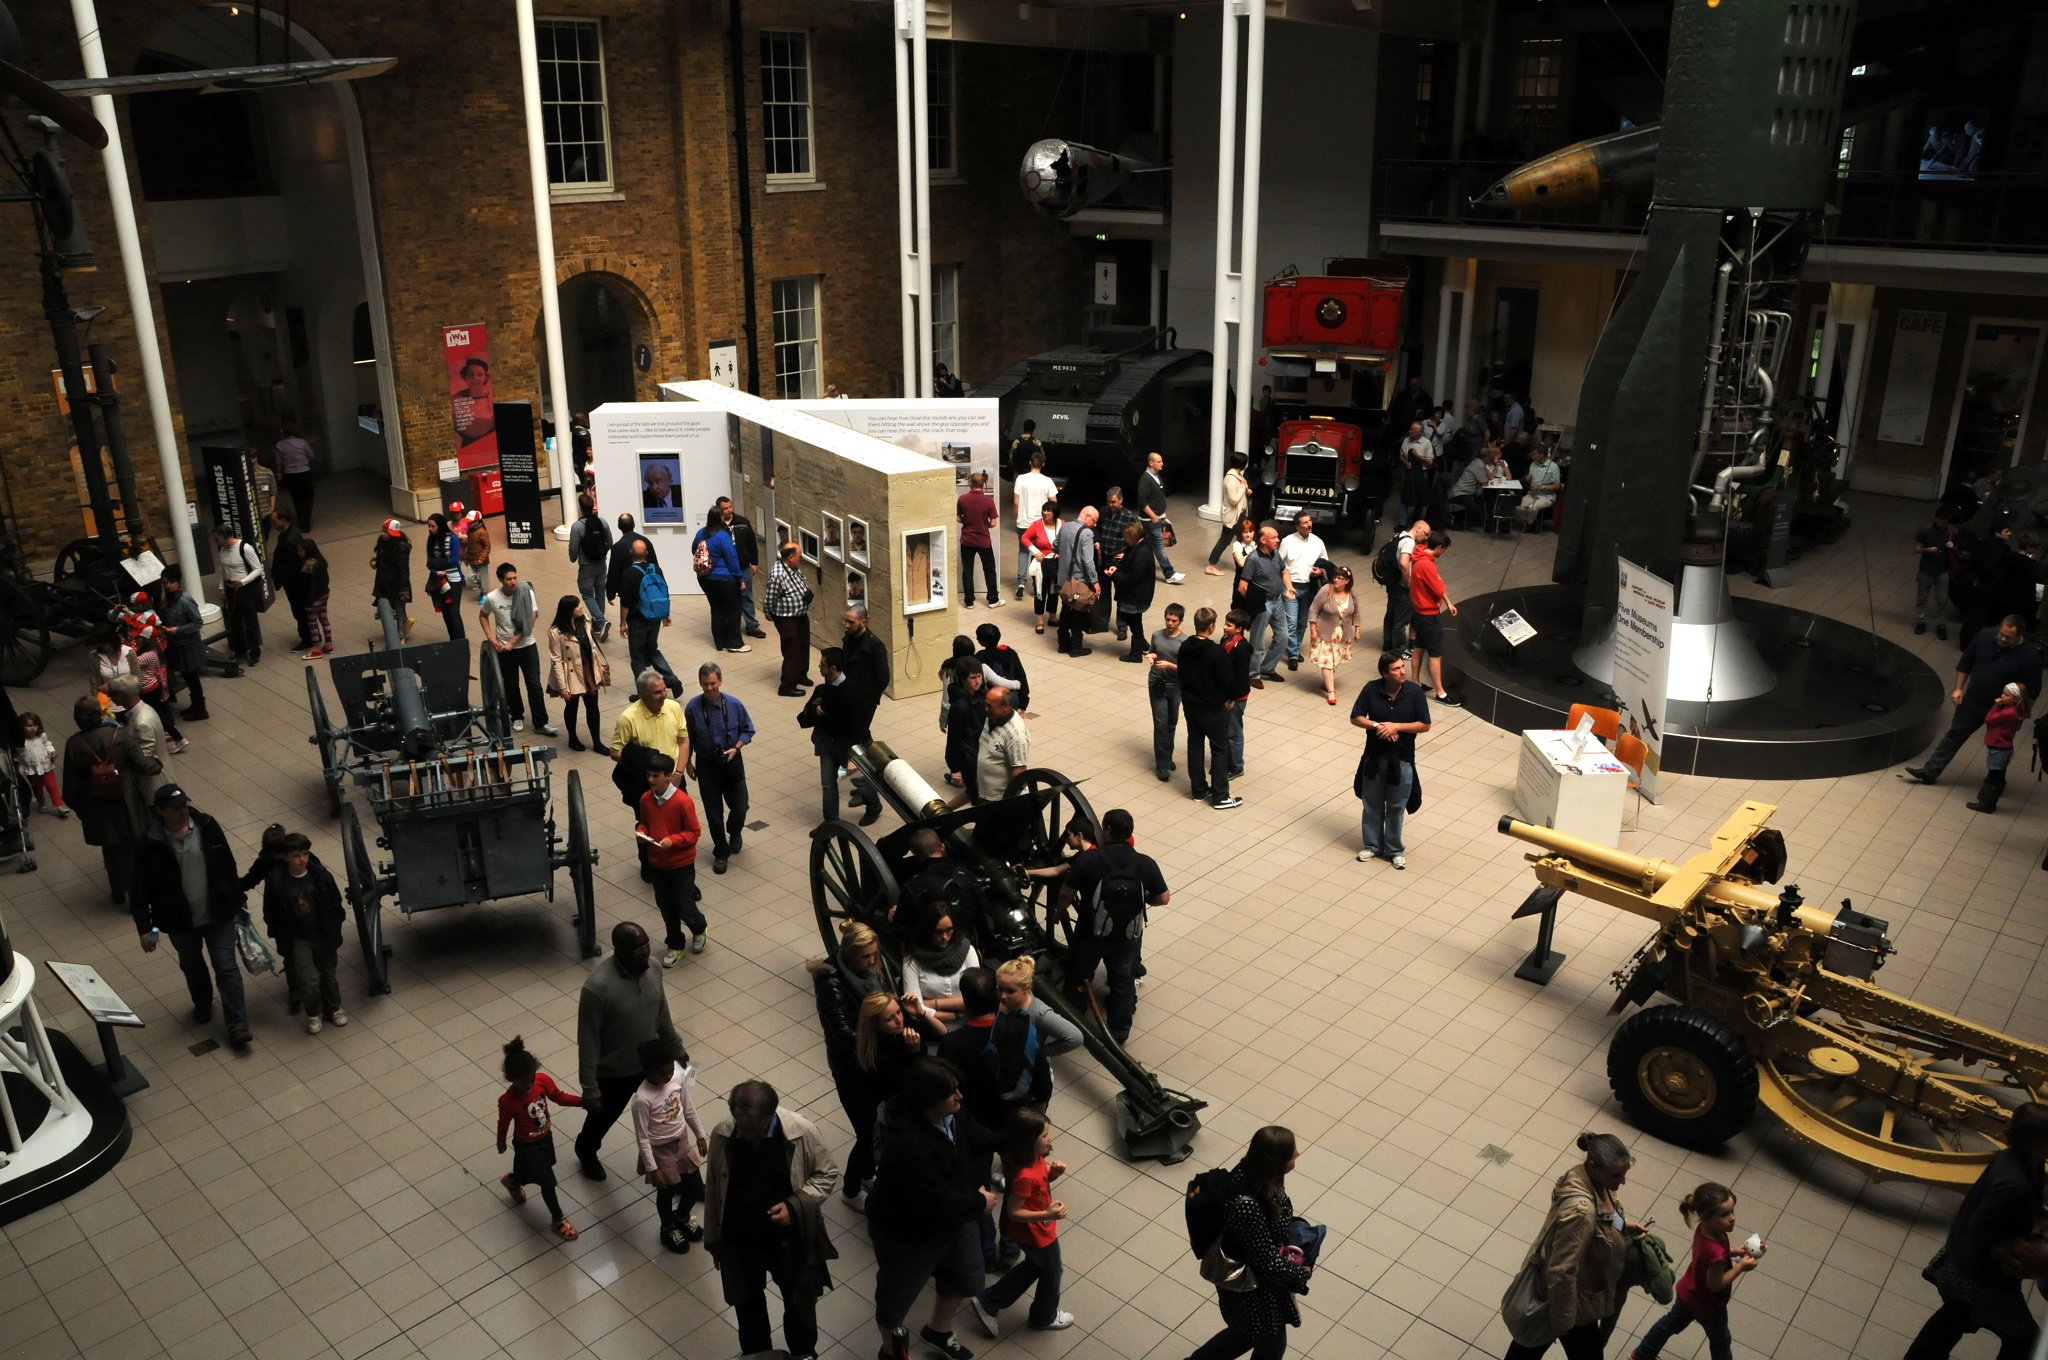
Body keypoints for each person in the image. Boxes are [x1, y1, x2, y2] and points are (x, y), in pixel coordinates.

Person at [866, 1060, 1002, 1360]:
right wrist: (980, 1203)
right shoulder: (908, 1144)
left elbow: (975, 1134)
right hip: (908, 1233)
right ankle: (892, 1353)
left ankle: (938, 1330)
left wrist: (1017, 1137)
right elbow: (933, 1200)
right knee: (895, 1298)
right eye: (951, 1093)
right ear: (929, 1100)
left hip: (952, 1217)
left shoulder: (949, 1113)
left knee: (966, 1276)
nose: (960, 1097)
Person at [703, 1080, 840, 1360]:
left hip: (788, 1240)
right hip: (741, 1238)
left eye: (754, 1130)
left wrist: (795, 1205)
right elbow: (714, 1186)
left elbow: (826, 1175)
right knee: (747, 1303)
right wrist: (713, 1239)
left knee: (799, 1301)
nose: (747, 1136)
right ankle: (758, 1354)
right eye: (742, 1128)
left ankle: (802, 1352)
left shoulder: (802, 1132)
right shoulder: (724, 1134)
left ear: (771, 1115)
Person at [1901, 1102, 2048, 1360]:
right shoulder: (2016, 1185)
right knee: (2023, 1340)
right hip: (1980, 1279)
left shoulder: (2012, 1158)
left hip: (1961, 1264)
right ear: (2038, 1142)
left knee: (1955, 1317)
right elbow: (1982, 1231)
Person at [131, 784, 252, 1047]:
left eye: (184, 806)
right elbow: (139, 888)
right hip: (180, 922)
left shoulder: (207, 826)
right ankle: (203, 1003)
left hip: (218, 913)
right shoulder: (149, 843)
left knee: (227, 968)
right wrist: (144, 927)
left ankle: (238, 1024)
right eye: (175, 809)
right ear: (160, 811)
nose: (182, 812)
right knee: (192, 966)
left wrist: (238, 900)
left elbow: (227, 864)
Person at [1503, 1132, 1641, 1360]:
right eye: (1616, 1175)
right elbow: (1562, 1271)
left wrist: (1623, 1225)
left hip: (1575, 1296)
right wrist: (1564, 1321)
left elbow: (1604, 1212)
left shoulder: (1589, 1179)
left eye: (1625, 1174)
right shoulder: (1580, 1212)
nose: (1622, 1181)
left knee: (1528, 1347)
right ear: (1594, 1166)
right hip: (1571, 1301)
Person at [1186, 1126, 1314, 1360]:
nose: (1298, 1153)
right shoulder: (1248, 1206)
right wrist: (1301, 1273)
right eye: (1291, 1152)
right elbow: (1266, 1263)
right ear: (1276, 1161)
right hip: (1252, 1291)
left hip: (1255, 1288)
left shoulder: (1253, 1173)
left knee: (1243, 1335)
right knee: (1271, 1346)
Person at [573, 921, 687, 1180]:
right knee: (604, 1118)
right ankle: (586, 1149)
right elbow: (588, 1041)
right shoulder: (596, 989)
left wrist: (678, 1049)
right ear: (618, 950)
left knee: (668, 1116)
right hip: (615, 1072)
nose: (645, 951)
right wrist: (590, 1088)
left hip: (652, 1064)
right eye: (637, 947)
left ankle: (681, 1173)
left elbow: (662, 1014)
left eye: (646, 944)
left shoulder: (654, 969)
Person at [1059, 807, 1169, 1043]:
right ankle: (1119, 1032)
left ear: (1107, 830)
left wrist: (1058, 913)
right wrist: (1142, 902)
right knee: (1123, 981)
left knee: (1080, 975)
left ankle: (1073, 1021)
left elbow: (1067, 892)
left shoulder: (1089, 859)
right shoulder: (1144, 863)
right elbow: (1163, 898)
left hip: (1091, 933)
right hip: (1128, 936)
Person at [969, 1109, 1074, 1338]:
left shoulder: (1036, 1160)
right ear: (1029, 1141)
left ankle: (990, 1301)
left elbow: (1041, 1181)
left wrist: (1053, 1174)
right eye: (1044, 1136)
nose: (1050, 1139)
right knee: (1053, 1270)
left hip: (1037, 1230)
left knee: (1037, 1266)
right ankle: (1043, 1316)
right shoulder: (1025, 1175)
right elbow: (1014, 1212)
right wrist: (1047, 1213)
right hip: (1036, 1234)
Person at [1903, 615, 2042, 785]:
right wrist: (1958, 688)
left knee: (1998, 746)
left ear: (2019, 636)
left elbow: (2033, 689)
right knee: (1954, 735)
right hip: (1974, 700)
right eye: (2002, 634)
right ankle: (1929, 771)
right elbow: (1966, 663)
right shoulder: (1984, 636)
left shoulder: (2029, 655)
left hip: (2003, 709)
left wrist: (2021, 714)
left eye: (2009, 637)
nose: (2003, 639)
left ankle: (1994, 785)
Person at [1630, 1181, 1761, 1360]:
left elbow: (1707, 1256)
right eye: (1724, 1214)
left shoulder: (1705, 1230)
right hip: (1708, 1305)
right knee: (1721, 1341)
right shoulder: (1716, 1251)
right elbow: (1715, 1284)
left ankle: (1641, 1354)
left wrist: (1730, 1252)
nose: (1732, 1218)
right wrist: (1740, 1267)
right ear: (1706, 1216)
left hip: (1689, 1292)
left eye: (1732, 1211)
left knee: (1670, 1324)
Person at [806, 922, 889, 1199]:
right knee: (866, 1133)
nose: (873, 961)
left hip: (872, 1060)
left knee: (874, 1127)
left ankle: (867, 1173)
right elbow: (843, 1033)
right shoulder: (831, 983)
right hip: (851, 1069)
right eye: (866, 956)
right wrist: (884, 1030)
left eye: (874, 954)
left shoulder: (866, 973)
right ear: (850, 954)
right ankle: (852, 1189)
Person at [495, 1036, 582, 1240]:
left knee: (529, 1174)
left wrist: (583, 1102)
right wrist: (501, 1143)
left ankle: (513, 1181)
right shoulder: (507, 1101)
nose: (529, 1084)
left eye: (531, 1079)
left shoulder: (542, 1081)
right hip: (526, 1146)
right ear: (510, 1078)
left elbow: (559, 1097)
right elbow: (503, 1123)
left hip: (545, 1139)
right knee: (547, 1181)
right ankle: (558, 1218)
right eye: (523, 1082)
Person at [260, 831, 347, 1034]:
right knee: (308, 981)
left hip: (322, 935)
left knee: (328, 976)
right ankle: (314, 1013)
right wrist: (278, 933)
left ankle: (334, 1008)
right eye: (297, 855)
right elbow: (270, 911)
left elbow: (335, 904)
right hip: (297, 939)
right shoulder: (276, 883)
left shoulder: (321, 877)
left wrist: (335, 925)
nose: (302, 859)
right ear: (286, 857)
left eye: (305, 854)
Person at [1352, 652, 1432, 870]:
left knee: (1397, 807)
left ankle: (1394, 849)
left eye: (1402, 667)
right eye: (1396, 669)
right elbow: (1356, 717)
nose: (1402, 671)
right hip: (1374, 758)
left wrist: (1396, 727)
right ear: (1384, 673)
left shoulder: (1414, 692)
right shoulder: (1371, 689)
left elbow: (1425, 724)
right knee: (1372, 804)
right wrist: (1379, 726)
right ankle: (1372, 845)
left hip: (1403, 760)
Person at [631, 1037, 708, 1253]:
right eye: (661, 1073)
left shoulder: (677, 1077)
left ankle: (682, 1217)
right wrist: (653, 1169)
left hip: (682, 1142)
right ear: (647, 1071)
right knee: (666, 1192)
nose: (667, 1076)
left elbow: (687, 1106)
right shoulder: (641, 1099)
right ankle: (667, 1228)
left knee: (695, 1187)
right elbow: (642, 1137)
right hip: (660, 1152)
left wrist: (700, 1135)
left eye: (669, 1071)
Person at [62, 695, 136, 902]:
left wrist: (83, 810)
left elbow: (70, 787)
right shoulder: (121, 735)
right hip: (125, 802)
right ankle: (133, 891)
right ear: (101, 714)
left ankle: (118, 890)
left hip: (97, 808)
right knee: (129, 847)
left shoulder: (74, 745)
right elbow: (141, 765)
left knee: (110, 849)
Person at [638, 753, 708, 962]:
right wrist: (641, 832)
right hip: (657, 863)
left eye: (655, 776)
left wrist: (673, 840)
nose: (651, 780)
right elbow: (645, 823)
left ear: (668, 776)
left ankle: (699, 927)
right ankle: (675, 944)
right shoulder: (645, 799)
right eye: (649, 775)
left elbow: (694, 832)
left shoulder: (682, 802)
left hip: (680, 864)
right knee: (665, 905)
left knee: (683, 904)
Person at [684, 661, 753, 872]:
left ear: (720, 681)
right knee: (714, 814)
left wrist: (737, 748)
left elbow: (748, 730)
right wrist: (687, 762)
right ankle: (721, 852)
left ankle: (735, 831)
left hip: (732, 760)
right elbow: (687, 738)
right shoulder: (692, 708)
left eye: (713, 683)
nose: (709, 688)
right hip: (707, 765)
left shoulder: (734, 704)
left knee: (740, 807)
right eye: (705, 684)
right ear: (700, 683)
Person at [799, 647, 879, 825]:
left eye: (822, 664)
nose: (819, 666)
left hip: (846, 747)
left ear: (833, 668)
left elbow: (859, 726)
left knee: (859, 780)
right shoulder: (825, 687)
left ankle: (874, 805)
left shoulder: (852, 691)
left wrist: (852, 756)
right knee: (828, 784)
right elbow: (809, 715)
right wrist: (815, 711)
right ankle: (831, 821)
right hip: (828, 743)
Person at [482, 563, 557, 736]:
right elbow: (483, 616)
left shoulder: (526, 591)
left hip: (527, 646)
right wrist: (491, 638)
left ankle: (541, 722)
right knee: (510, 684)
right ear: (501, 580)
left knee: (534, 685)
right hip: (505, 650)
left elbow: (532, 618)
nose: (513, 582)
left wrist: (513, 642)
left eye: (515, 577)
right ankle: (516, 716)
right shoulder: (493, 597)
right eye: (508, 579)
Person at [1178, 607, 1239, 809]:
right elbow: (1228, 681)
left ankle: (1199, 790)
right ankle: (1221, 796)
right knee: (1219, 749)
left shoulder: (1185, 646)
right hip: (1213, 709)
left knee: (1195, 744)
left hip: (1190, 705)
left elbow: (1182, 673)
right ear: (1211, 626)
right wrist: (1230, 698)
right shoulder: (1216, 652)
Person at [545, 595, 612, 753]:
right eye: (577, 606)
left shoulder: (585, 621)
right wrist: (562, 687)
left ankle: (597, 742)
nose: (581, 608)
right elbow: (557, 660)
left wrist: (598, 666)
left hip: (588, 668)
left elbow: (591, 647)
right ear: (569, 610)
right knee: (572, 706)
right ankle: (572, 738)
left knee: (593, 706)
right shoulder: (556, 632)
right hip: (571, 673)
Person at [902, 898, 981, 1032]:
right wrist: (957, 1014)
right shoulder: (912, 961)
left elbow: (977, 997)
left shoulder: (967, 950)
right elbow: (914, 1009)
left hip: (970, 1026)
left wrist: (933, 1004)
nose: (944, 936)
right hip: (933, 1029)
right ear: (928, 931)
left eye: (949, 930)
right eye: (938, 932)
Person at [107, 675, 169, 829]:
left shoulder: (141, 723)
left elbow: (143, 760)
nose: (110, 696)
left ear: (123, 695)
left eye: (113, 693)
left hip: (151, 787)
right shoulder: (145, 710)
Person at [1409, 530, 1460, 705]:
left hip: (1418, 612)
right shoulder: (1427, 565)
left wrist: (1449, 603)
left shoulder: (1419, 555)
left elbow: (1436, 584)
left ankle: (1415, 683)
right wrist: (1446, 598)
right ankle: (1440, 693)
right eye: (1443, 550)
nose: (1443, 553)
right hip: (1429, 615)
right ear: (1439, 547)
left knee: (1419, 648)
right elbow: (1438, 587)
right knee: (1435, 654)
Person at [1236, 525, 1292, 682]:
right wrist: (1255, 603)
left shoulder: (1275, 554)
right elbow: (1242, 587)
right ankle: (1253, 674)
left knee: (1283, 637)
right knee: (1258, 640)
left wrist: (1289, 587)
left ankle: (1267, 668)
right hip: (1263, 603)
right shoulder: (1253, 559)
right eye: (1274, 537)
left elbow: (1284, 571)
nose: (1278, 540)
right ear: (1262, 540)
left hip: (1278, 601)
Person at [692, 504, 749, 653]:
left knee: (716, 608)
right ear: (720, 518)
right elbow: (732, 558)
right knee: (734, 609)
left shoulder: (701, 533)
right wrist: (739, 578)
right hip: (724, 579)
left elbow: (694, 550)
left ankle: (720, 643)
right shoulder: (722, 535)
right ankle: (735, 643)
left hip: (705, 578)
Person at [1275, 512, 1327, 670]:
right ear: (1297, 526)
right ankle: (1293, 654)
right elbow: (1278, 563)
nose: (1309, 524)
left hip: (1309, 587)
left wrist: (1320, 571)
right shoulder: (1287, 542)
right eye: (1304, 522)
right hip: (1291, 586)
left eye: (1310, 521)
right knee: (1291, 623)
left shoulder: (1318, 542)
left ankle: (1294, 649)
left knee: (1302, 623)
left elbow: (1326, 563)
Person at [1967, 682, 2029, 814]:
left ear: (2015, 699)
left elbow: (1989, 719)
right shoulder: (2014, 711)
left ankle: (1987, 803)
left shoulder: (2008, 712)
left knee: (1994, 776)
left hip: (1999, 748)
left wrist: (1996, 706)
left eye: (2006, 695)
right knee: (1996, 774)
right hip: (2003, 748)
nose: (2002, 696)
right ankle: (1987, 798)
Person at [158, 567, 209, 719]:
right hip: (175, 646)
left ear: (179, 582)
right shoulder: (166, 601)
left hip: (188, 646)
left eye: (171, 582)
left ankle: (200, 709)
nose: (168, 586)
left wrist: (178, 629)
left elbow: (197, 623)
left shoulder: (185, 601)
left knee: (192, 677)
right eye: (165, 583)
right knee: (188, 677)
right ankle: (195, 706)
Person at [715, 496, 769, 639]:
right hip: (725, 569)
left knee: (747, 597)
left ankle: (752, 626)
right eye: (725, 508)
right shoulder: (716, 526)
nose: (729, 510)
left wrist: (755, 562)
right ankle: (729, 628)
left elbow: (752, 543)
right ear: (719, 509)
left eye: (730, 507)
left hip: (744, 567)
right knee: (728, 599)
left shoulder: (743, 523)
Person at [766, 540, 815, 696]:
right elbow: (770, 598)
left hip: (800, 615)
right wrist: (770, 613)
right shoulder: (777, 574)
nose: (801, 559)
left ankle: (801, 674)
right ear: (791, 557)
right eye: (799, 556)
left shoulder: (793, 568)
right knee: (792, 650)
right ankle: (787, 685)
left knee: (803, 645)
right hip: (786, 618)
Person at [1306, 567, 1361, 705]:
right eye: (1335, 577)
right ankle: (1331, 691)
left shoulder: (1352, 593)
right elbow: (1313, 609)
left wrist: (1357, 629)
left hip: (1342, 633)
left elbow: (1356, 612)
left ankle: (1327, 682)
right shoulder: (1326, 590)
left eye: (1340, 578)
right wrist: (1313, 628)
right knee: (1327, 661)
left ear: (1347, 581)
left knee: (1335, 660)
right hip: (1325, 632)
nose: (1336, 580)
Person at [213, 522, 265, 665]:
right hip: (230, 588)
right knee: (234, 622)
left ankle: (254, 652)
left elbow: (257, 569)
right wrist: (221, 587)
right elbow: (222, 570)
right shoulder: (221, 548)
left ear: (225, 536)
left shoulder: (245, 548)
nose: (216, 542)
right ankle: (240, 651)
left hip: (245, 589)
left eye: (218, 538)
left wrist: (242, 581)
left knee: (250, 622)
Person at [1052, 506, 1100, 657]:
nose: (1095, 524)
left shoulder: (1065, 527)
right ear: (1087, 517)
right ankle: (1076, 647)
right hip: (1078, 583)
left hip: (1063, 581)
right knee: (1079, 612)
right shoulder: (1087, 533)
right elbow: (1088, 561)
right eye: (1094, 520)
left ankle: (1062, 643)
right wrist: (1095, 582)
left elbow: (1055, 546)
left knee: (1066, 608)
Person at [1146, 603, 1187, 780]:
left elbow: (1188, 669)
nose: (1170, 623)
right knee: (1161, 724)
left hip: (1175, 685)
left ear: (1180, 621)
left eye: (1174, 621)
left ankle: (1167, 756)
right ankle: (1162, 765)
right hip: (1157, 682)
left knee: (1171, 723)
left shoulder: (1184, 642)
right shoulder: (1157, 635)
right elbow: (1152, 651)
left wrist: (1170, 665)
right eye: (1168, 619)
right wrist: (1151, 656)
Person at [1104, 523, 1155, 662]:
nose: (1125, 540)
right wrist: (1116, 568)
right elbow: (1126, 563)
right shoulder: (1137, 548)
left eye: (1126, 537)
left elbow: (1133, 577)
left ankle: (1136, 653)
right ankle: (1142, 644)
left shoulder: (1142, 553)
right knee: (1135, 620)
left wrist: (1114, 575)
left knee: (1134, 621)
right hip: (1136, 594)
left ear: (1133, 536)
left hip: (1135, 595)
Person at [1012, 450, 1058, 599]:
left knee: (1023, 551)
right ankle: (1035, 582)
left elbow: (1016, 502)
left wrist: (1016, 517)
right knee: (1038, 552)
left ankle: (1021, 583)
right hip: (1040, 523)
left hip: (1023, 522)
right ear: (1043, 464)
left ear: (1030, 463)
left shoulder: (1021, 479)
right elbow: (1054, 502)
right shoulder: (1047, 481)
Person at [134, 632, 188, 755]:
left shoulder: (146, 656)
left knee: (159, 716)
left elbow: (131, 664)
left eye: (137, 638)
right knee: (162, 713)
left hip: (147, 690)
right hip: (154, 686)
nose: (135, 640)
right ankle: (177, 737)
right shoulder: (154, 652)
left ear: (144, 639)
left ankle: (178, 738)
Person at [567, 493, 612, 637]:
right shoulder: (602, 522)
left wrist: (573, 558)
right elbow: (610, 542)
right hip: (601, 563)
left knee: (587, 594)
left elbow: (573, 549)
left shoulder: (577, 527)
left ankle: (600, 620)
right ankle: (599, 627)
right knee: (599, 592)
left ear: (580, 508)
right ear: (593, 506)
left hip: (586, 566)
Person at [1138, 449, 1186, 583]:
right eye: (1159, 461)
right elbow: (1142, 501)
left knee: (1150, 545)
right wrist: (1153, 515)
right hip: (1151, 520)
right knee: (1158, 546)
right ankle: (1169, 573)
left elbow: (1157, 496)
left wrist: (1162, 512)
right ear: (1151, 463)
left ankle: (1143, 567)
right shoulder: (1145, 479)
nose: (1162, 464)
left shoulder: (1156, 476)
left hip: (1158, 517)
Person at [942, 654, 986, 791]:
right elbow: (954, 737)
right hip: (970, 753)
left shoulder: (982, 695)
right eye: (973, 678)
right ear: (962, 679)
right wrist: (955, 767)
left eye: (979, 676)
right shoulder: (960, 706)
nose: (978, 681)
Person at [957, 470, 1000, 608]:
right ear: (984, 484)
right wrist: (984, 524)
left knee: (967, 570)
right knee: (989, 569)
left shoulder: (962, 499)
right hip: (983, 541)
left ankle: (969, 601)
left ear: (970, 483)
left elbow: (958, 517)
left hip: (967, 540)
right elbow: (993, 523)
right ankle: (993, 599)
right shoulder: (988, 501)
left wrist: (967, 521)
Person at [270, 505, 310, 650]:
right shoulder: (289, 534)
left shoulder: (289, 539)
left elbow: (293, 563)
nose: (272, 523)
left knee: (300, 610)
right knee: (299, 610)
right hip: (293, 581)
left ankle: (307, 638)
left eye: (274, 520)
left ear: (283, 520)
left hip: (294, 582)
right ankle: (307, 636)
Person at [423, 511, 467, 641]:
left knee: (453, 613)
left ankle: (460, 640)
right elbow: (429, 563)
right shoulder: (431, 540)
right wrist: (435, 571)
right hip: (438, 579)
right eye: (429, 526)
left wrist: (436, 565)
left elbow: (454, 560)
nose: (430, 529)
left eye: (433, 526)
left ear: (440, 526)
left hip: (453, 580)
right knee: (446, 614)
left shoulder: (452, 539)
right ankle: (453, 639)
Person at [1020, 499, 1061, 635]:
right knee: (1040, 591)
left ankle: (1053, 616)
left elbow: (1066, 541)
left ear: (1055, 513)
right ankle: (1039, 620)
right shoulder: (1036, 525)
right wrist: (1035, 551)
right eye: (1044, 510)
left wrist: (1060, 552)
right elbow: (1025, 538)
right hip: (1040, 563)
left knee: (1054, 590)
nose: (1045, 513)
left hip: (1056, 563)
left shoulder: (1062, 524)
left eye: (1048, 510)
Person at [1208, 454, 1251, 574]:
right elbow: (1234, 500)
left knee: (1244, 538)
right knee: (1225, 540)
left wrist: (1246, 490)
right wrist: (1243, 487)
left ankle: (1243, 564)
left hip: (1240, 513)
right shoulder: (1231, 478)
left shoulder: (1238, 475)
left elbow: (1241, 489)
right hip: (1233, 516)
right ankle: (1211, 565)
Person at [370, 518, 414, 636]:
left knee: (399, 609)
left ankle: (401, 634)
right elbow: (382, 558)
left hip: (396, 584)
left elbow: (403, 569)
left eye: (385, 532)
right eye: (383, 531)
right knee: (387, 608)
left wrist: (403, 589)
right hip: (384, 582)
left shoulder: (401, 548)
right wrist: (375, 562)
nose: (382, 534)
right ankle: (398, 631)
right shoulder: (383, 543)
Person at [16, 710, 63, 817]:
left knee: (51, 786)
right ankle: (41, 802)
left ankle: (59, 806)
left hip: (46, 766)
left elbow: (48, 745)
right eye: (29, 726)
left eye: (35, 725)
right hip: (32, 769)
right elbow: (18, 757)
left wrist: (52, 753)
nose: (33, 728)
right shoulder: (21, 742)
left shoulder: (42, 737)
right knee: (37, 788)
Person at [275, 417, 316, 528]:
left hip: (290, 474)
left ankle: (301, 516)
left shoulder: (279, 445)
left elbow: (278, 462)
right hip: (304, 472)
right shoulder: (302, 442)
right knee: (308, 497)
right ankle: (306, 520)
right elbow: (312, 456)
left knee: (296, 497)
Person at [299, 538, 334, 660]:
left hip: (315, 598)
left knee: (312, 622)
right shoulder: (321, 561)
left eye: (301, 550)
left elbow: (311, 585)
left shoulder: (309, 564)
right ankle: (329, 644)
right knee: (324, 618)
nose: (299, 553)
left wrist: (309, 601)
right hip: (324, 594)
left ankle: (316, 649)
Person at [1518, 443, 1562, 529]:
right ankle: (1532, 522)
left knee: (1532, 508)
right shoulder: (1533, 464)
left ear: (1542, 455)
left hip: (1546, 496)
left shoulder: (1553, 467)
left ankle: (1529, 525)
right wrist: (1528, 479)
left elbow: (1557, 486)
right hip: (1532, 494)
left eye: (1535, 454)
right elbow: (1530, 479)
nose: (1532, 456)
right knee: (1519, 507)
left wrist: (1541, 487)